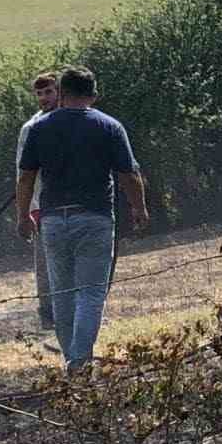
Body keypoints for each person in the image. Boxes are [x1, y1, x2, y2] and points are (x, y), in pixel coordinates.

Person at [16, 66, 149, 371]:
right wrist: (139, 208)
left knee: (61, 294)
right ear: (94, 95)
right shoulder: (109, 126)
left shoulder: (39, 128)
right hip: (95, 218)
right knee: (91, 292)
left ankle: (73, 361)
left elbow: (25, 178)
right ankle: (78, 362)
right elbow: (129, 174)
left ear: (60, 94)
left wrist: (23, 216)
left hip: (52, 220)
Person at [15, 71, 60, 329]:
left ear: (59, 92)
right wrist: (27, 210)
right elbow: (22, 173)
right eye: (40, 93)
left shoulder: (73, 119)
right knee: (46, 265)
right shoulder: (30, 128)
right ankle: (48, 316)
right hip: (43, 204)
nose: (44, 98)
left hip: (71, 200)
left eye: (49, 92)